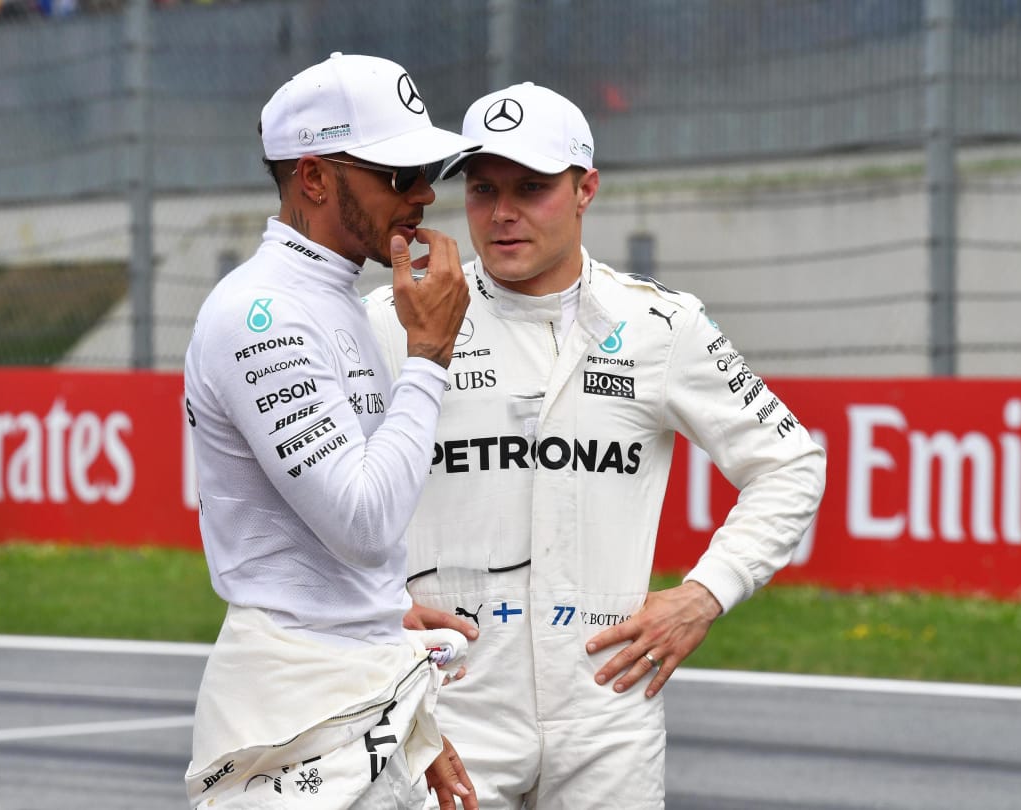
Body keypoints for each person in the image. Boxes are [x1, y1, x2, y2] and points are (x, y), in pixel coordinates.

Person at [364, 83, 827, 809]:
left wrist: (705, 596)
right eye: (483, 190)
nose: (503, 213)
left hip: (609, 707)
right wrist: (371, 607)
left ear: (586, 189)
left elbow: (791, 462)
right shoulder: (395, 319)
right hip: (449, 702)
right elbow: (313, 492)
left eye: (533, 188)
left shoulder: (660, 325)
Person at [182, 52, 484, 809]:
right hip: (292, 712)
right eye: (397, 173)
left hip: (354, 685)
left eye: (429, 169)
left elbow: (345, 553)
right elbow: (363, 522)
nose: (423, 193)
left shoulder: (331, 298)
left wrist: (413, 713)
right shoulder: (261, 314)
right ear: (314, 178)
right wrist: (430, 355)